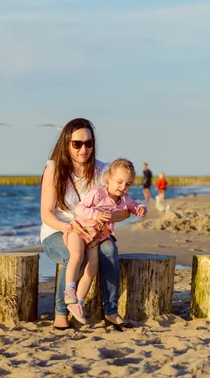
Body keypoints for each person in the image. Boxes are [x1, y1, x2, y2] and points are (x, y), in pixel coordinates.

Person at [40, 118, 132, 331]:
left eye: (88, 143)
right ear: (66, 143)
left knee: (109, 250)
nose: (84, 149)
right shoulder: (54, 169)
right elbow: (46, 214)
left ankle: (110, 311)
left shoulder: (103, 171)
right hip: (58, 230)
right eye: (77, 144)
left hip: (94, 232)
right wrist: (71, 230)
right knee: (73, 255)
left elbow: (124, 209)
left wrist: (107, 218)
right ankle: (61, 312)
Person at [63, 158, 147, 324]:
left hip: (96, 237)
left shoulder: (125, 199)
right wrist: (96, 214)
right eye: (119, 182)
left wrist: (141, 209)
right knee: (77, 256)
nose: (123, 187)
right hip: (79, 230)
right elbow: (79, 208)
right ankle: (69, 290)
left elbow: (135, 206)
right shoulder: (98, 193)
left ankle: (78, 302)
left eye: (128, 184)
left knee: (92, 268)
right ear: (109, 177)